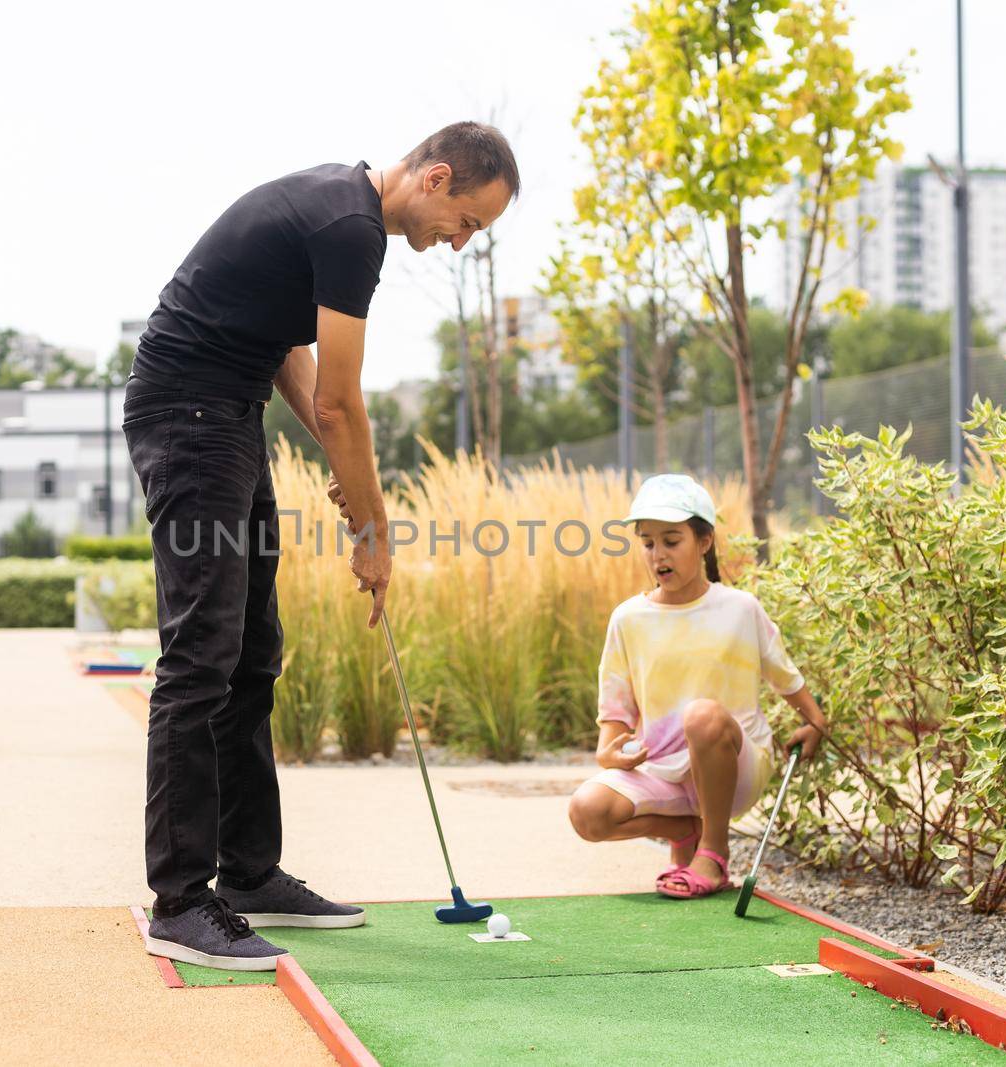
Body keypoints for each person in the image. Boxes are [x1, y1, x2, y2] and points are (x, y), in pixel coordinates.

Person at [123, 123, 519, 970]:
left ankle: (249, 873)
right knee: (200, 656)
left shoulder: (342, 208)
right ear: (436, 177)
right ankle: (182, 901)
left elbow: (292, 357)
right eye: (467, 222)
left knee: (253, 653)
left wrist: (339, 463)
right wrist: (372, 529)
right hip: (188, 416)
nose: (459, 242)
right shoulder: (351, 229)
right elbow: (343, 401)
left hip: (224, 415)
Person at [565, 474, 828, 898]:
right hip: (662, 769)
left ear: (704, 542)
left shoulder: (740, 608)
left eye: (672, 541)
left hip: (736, 766)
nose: (657, 555)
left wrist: (814, 722)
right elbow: (613, 715)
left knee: (702, 715)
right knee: (586, 812)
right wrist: (607, 752)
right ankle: (685, 830)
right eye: (648, 543)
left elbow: (786, 677)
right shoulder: (628, 619)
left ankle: (714, 852)